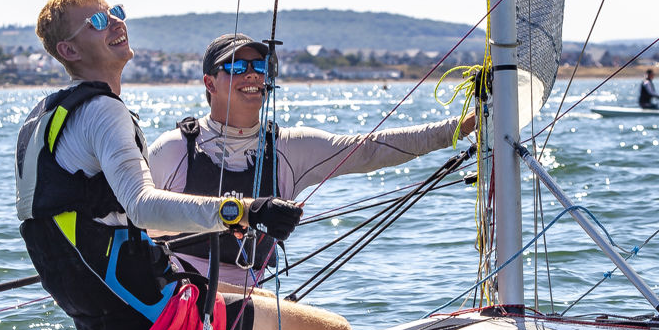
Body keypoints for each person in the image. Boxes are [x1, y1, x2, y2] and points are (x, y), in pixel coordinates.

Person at [15, 0, 351, 330]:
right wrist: (245, 211)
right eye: (97, 21)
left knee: (259, 323)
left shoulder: (44, 117)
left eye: (116, 12)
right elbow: (142, 205)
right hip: (159, 317)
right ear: (69, 50)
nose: (115, 22)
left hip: (105, 324)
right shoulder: (102, 110)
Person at [147, 32, 477, 287]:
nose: (251, 75)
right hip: (184, 299)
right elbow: (132, 219)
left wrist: (461, 126)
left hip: (253, 300)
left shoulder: (289, 148)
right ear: (209, 83)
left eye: (259, 67)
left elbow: (370, 149)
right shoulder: (173, 150)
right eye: (235, 67)